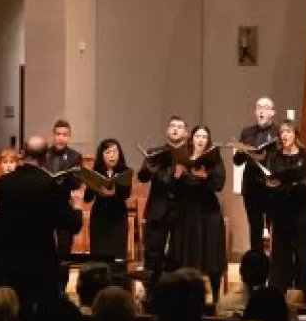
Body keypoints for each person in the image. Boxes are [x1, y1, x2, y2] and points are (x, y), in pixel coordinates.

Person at [0, 136, 84, 309]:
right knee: (42, 309)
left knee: (14, 307)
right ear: (44, 158)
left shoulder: (4, 183)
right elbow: (71, 223)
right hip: (40, 258)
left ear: (23, 154)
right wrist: (78, 210)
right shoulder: (50, 185)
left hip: (9, 256)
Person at [169, 125, 227, 305]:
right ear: (191, 139)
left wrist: (205, 176)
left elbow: (219, 185)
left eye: (204, 137)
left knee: (212, 254)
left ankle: (215, 297)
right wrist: (176, 177)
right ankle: (184, 296)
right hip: (187, 213)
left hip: (208, 212)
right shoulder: (183, 158)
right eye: (197, 136)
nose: (200, 140)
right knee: (187, 254)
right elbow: (173, 190)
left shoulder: (214, 159)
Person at [138, 115, 189, 302]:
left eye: (179, 127)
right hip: (158, 209)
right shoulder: (156, 152)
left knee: (179, 254)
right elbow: (142, 177)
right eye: (172, 126)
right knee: (152, 253)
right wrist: (150, 169)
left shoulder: (190, 154)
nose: (175, 129)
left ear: (186, 132)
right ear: (167, 131)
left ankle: (179, 295)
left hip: (182, 211)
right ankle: (151, 293)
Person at [264, 121, 306, 299]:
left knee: (303, 250)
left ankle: (304, 292)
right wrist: (271, 184)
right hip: (281, 209)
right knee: (281, 251)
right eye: (282, 132)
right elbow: (269, 179)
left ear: (295, 134)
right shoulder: (274, 156)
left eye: (288, 131)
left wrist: (292, 184)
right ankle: (279, 292)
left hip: (301, 208)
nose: (285, 135)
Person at [234, 97, 278, 251]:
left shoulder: (278, 132)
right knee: (254, 225)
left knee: (274, 225)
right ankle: (256, 259)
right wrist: (241, 152)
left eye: (266, 107)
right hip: (251, 185)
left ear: (272, 113)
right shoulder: (247, 132)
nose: (261, 111)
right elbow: (237, 161)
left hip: (271, 186)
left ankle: (275, 260)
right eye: (259, 107)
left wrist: (266, 157)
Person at [82, 138, 132, 269]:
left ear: (119, 154)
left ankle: (118, 280)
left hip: (118, 218)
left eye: (115, 151)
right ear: (102, 155)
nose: (112, 155)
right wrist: (93, 185)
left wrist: (115, 193)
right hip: (99, 218)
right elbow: (87, 198)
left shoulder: (125, 171)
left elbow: (126, 194)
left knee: (118, 256)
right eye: (108, 152)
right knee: (99, 257)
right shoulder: (96, 172)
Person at [45, 119, 83, 271]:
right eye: (58, 134)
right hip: (45, 205)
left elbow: (77, 183)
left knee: (64, 248)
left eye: (65, 135)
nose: (61, 138)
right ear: (53, 136)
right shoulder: (45, 154)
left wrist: (64, 178)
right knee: (45, 246)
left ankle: (62, 279)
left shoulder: (75, 156)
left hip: (64, 205)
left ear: (69, 137)